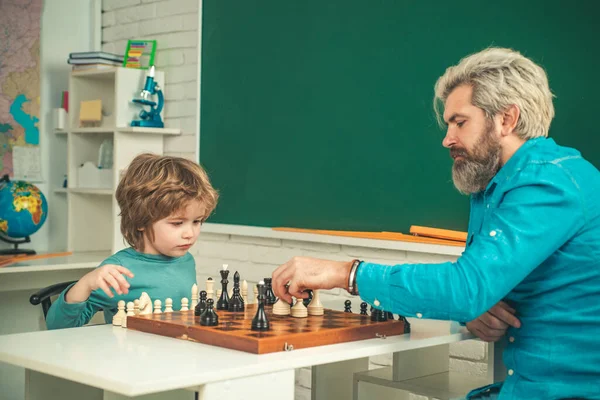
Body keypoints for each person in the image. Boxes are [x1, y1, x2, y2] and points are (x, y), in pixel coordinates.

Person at [272, 48, 600, 400]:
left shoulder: (549, 185)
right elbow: (477, 289)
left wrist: (346, 273)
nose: (447, 139)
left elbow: (465, 287)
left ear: (507, 119)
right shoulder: (494, 183)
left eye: (460, 122)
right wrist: (475, 307)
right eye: (448, 125)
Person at [46, 153, 218, 330]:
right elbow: (56, 327)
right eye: (177, 223)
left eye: (197, 221)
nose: (190, 233)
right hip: (133, 354)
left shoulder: (186, 260)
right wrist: (86, 283)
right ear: (141, 221)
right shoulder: (119, 271)